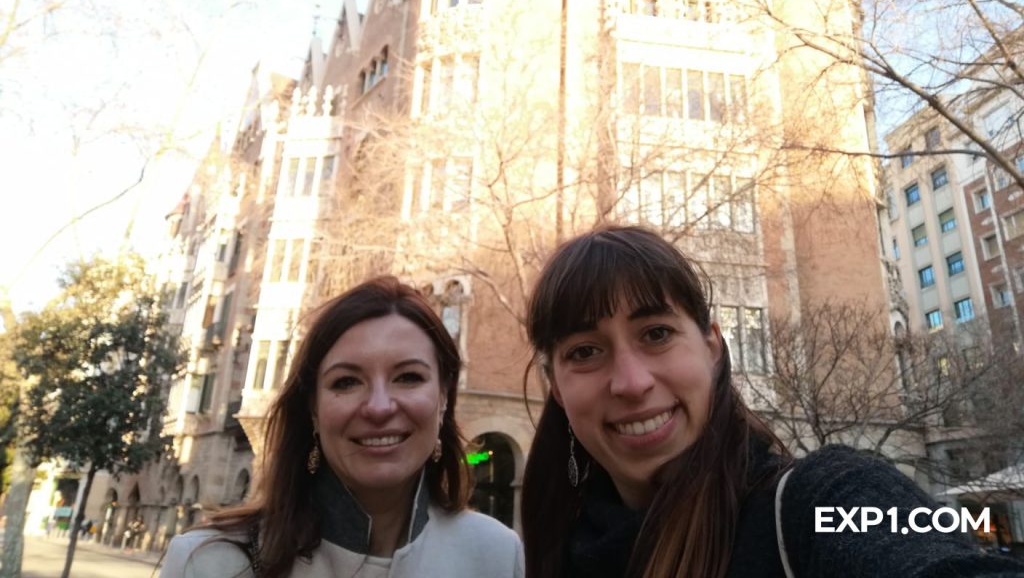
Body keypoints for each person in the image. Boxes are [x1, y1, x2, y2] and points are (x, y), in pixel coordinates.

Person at [520, 225, 1024, 578]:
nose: (630, 382)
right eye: (585, 352)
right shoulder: (556, 547)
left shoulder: (824, 502)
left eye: (656, 333)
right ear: (556, 388)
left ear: (713, 349)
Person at [161, 276, 523, 578]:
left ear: (443, 398)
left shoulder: (495, 556)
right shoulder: (208, 564)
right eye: (346, 382)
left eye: (409, 377)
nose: (379, 407)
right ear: (313, 410)